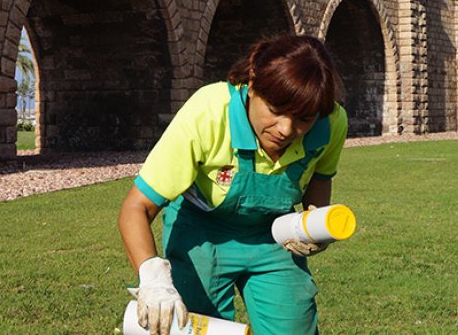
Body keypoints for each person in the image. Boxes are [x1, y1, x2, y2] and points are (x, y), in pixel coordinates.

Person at [118, 34, 348, 335]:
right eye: (276, 110)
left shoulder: (330, 123)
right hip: (201, 234)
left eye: (303, 118)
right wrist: (153, 279)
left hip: (273, 236)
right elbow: (136, 207)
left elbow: (320, 178)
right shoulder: (209, 112)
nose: (286, 129)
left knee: (294, 326)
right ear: (253, 84)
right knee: (195, 327)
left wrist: (314, 224)